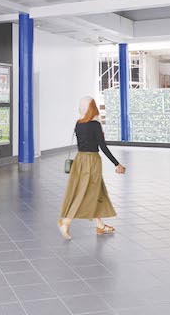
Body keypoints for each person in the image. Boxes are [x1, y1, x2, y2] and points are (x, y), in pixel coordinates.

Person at [58, 96, 126, 240]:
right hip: (92, 161)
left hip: (80, 160)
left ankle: (100, 225)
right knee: (84, 192)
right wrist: (117, 163)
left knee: (96, 191)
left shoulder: (78, 124)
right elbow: (102, 146)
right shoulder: (95, 125)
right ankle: (66, 221)